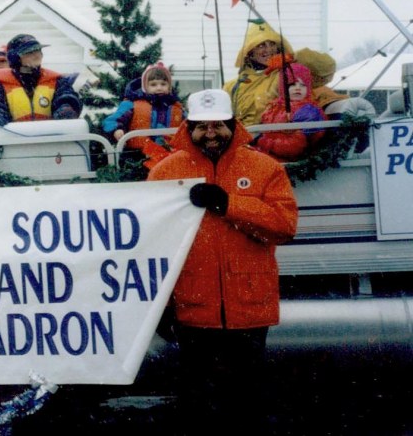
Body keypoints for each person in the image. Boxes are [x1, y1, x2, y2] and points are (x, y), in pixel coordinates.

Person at [147, 89, 298, 433]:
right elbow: (154, 243)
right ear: (189, 127)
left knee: (246, 403)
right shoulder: (164, 172)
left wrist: (229, 205)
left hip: (249, 309)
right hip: (192, 311)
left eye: (218, 125)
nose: (210, 133)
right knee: (196, 405)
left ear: (233, 124)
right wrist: (161, 307)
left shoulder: (265, 168)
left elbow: (284, 226)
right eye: (202, 126)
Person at [0, 34, 82, 126]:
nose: (36, 55)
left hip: (50, 137)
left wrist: (66, 109)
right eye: (30, 52)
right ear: (16, 58)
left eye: (38, 50)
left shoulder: (56, 80)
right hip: (15, 140)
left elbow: (67, 97)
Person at [102, 62, 183, 157]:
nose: (159, 88)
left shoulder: (176, 108)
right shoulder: (133, 105)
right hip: (138, 155)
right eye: (153, 85)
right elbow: (111, 120)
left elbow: (189, 125)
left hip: (169, 155)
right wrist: (117, 129)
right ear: (145, 87)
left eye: (163, 84)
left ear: (169, 86)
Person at [223, 20, 294, 126]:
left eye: (272, 44)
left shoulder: (285, 74)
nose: (269, 50)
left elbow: (325, 67)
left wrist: (291, 58)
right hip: (244, 138)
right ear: (250, 53)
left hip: (276, 137)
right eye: (261, 46)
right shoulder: (231, 86)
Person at [256, 61, 328, 162]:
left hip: (289, 161)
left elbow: (294, 147)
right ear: (283, 87)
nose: (298, 88)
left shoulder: (308, 111)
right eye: (292, 84)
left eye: (302, 85)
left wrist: (265, 142)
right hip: (268, 156)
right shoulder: (274, 107)